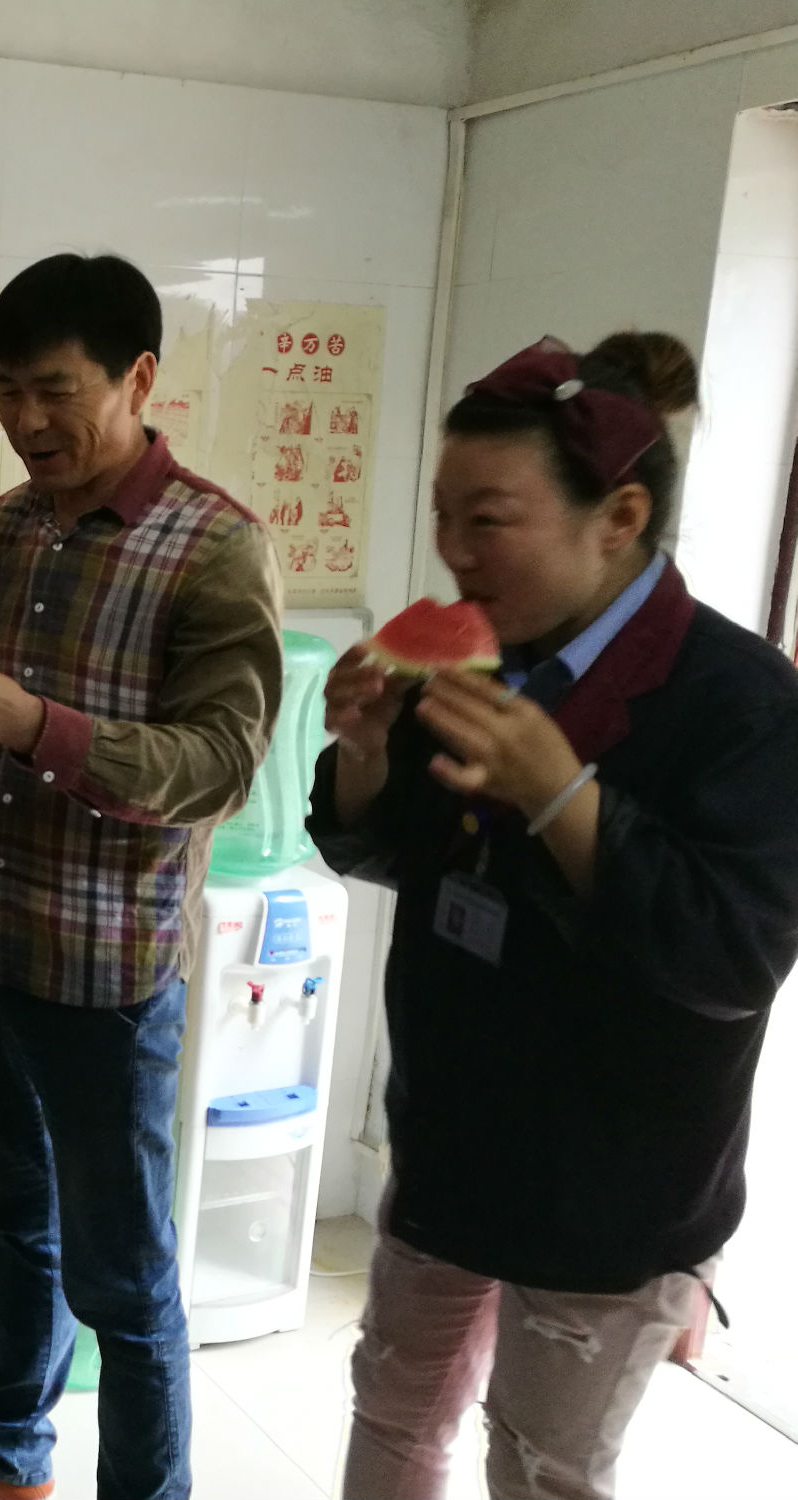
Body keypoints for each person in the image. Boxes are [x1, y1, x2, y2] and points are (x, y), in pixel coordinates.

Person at [309, 333, 798, 1500]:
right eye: (443, 515)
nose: (451, 550)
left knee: (545, 1469)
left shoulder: (744, 703)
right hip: (450, 1141)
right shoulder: (478, 658)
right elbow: (392, 854)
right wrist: (364, 758)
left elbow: (730, 954)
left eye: (487, 519)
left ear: (617, 517)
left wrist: (562, 797)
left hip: (612, 1187)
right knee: (392, 1412)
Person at [0, 254, 284, 1500]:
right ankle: (4, 1455)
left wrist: (32, 724)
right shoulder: (6, 527)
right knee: (9, 1219)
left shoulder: (214, 547)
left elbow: (218, 768)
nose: (24, 419)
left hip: (105, 979)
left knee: (123, 1280)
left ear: (136, 378)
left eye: (52, 389)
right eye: (5, 390)